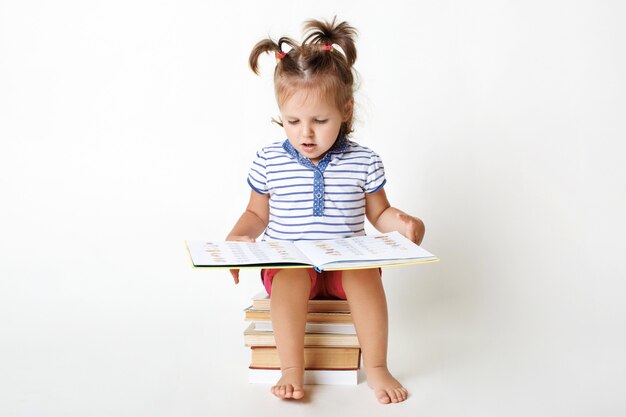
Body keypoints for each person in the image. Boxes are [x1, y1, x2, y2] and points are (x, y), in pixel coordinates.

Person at [226, 17, 425, 404]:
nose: (306, 133)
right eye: (293, 120)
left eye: (320, 120)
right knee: (290, 279)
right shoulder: (268, 161)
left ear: (346, 110)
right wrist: (238, 239)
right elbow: (256, 215)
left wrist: (402, 224)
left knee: (364, 274)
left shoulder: (364, 160)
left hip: (343, 265)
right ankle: (291, 369)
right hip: (290, 262)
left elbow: (379, 214)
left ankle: (379, 366)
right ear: (280, 112)